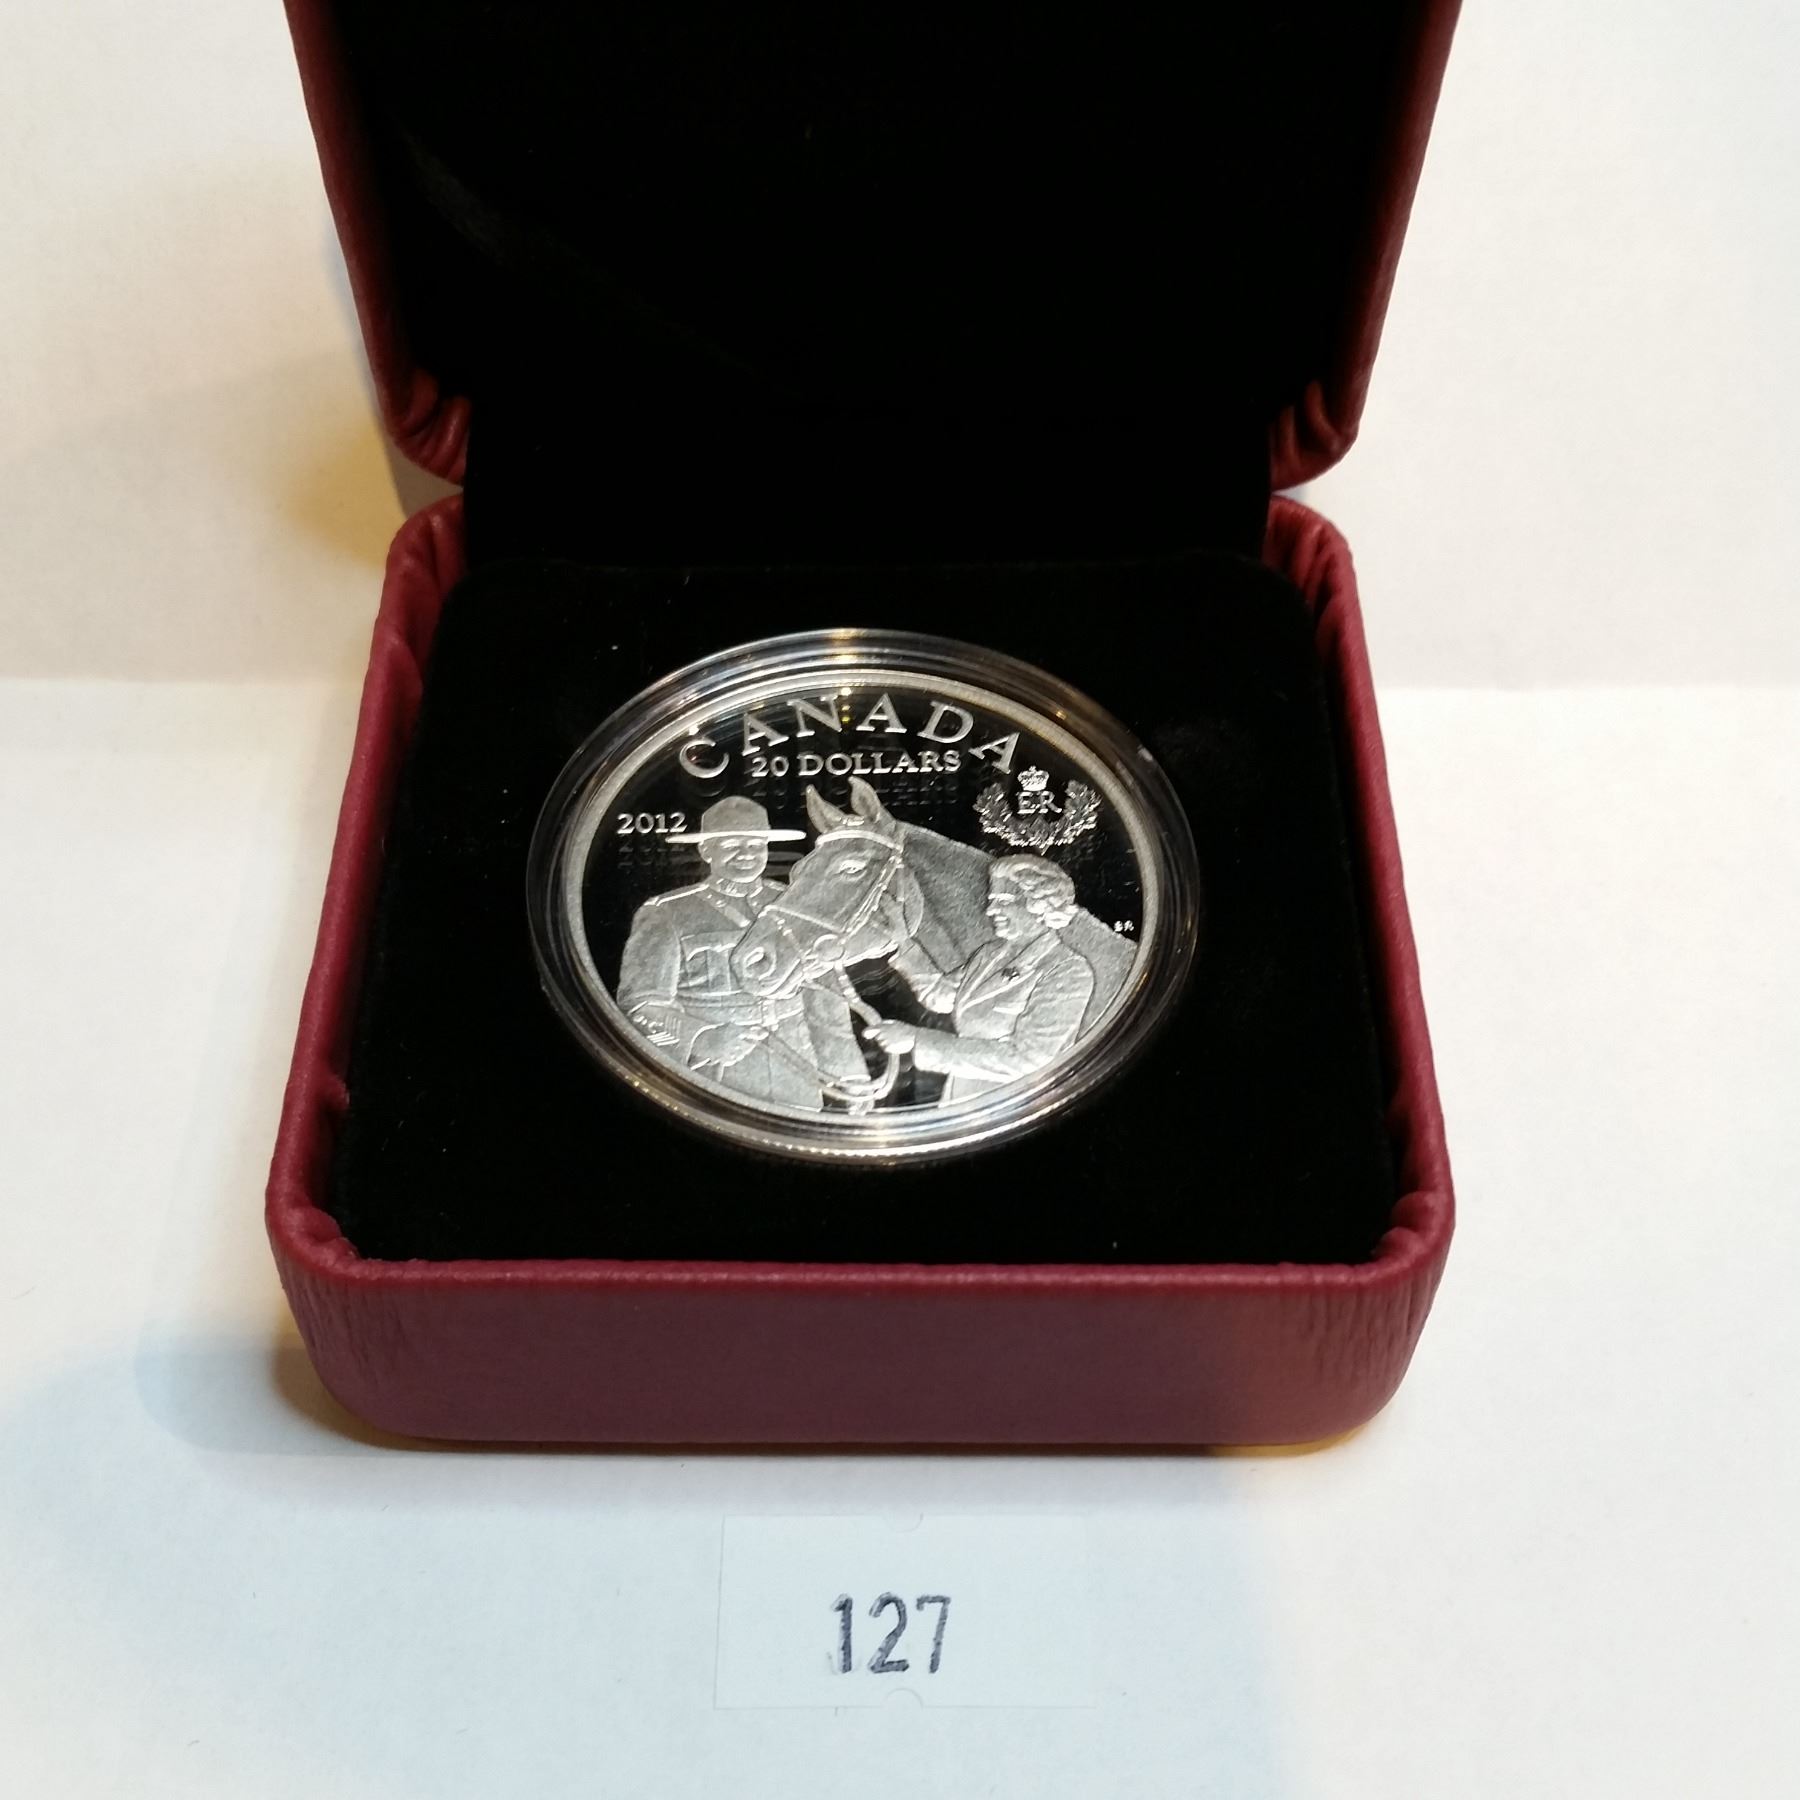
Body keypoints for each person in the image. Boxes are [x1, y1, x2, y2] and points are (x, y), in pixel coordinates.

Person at [616, 796, 869, 1108]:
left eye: (755, 845)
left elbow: (825, 998)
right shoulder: (667, 913)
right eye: (731, 845)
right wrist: (702, 1038)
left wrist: (849, 1072)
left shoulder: (797, 907)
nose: (746, 854)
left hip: (796, 1069)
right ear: (706, 851)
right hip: (713, 1074)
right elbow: (640, 1006)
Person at [865, 854, 1096, 1102]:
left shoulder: (1068, 970)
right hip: (961, 1097)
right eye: (991, 900)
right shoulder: (990, 955)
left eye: (1003, 901)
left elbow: (1028, 1059)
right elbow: (940, 995)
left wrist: (916, 1040)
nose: (990, 910)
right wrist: (902, 941)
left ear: (1041, 904)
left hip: (1022, 1105)